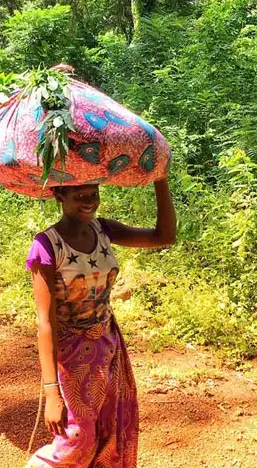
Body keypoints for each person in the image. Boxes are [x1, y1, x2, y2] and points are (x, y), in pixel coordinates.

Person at [25, 178, 176, 467]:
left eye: (93, 193)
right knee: (77, 439)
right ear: (58, 194)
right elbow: (45, 322)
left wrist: (160, 180)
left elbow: (164, 236)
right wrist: (51, 390)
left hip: (108, 345)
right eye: (79, 194)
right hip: (71, 356)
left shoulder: (103, 229)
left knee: (111, 434)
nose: (88, 201)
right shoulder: (46, 246)